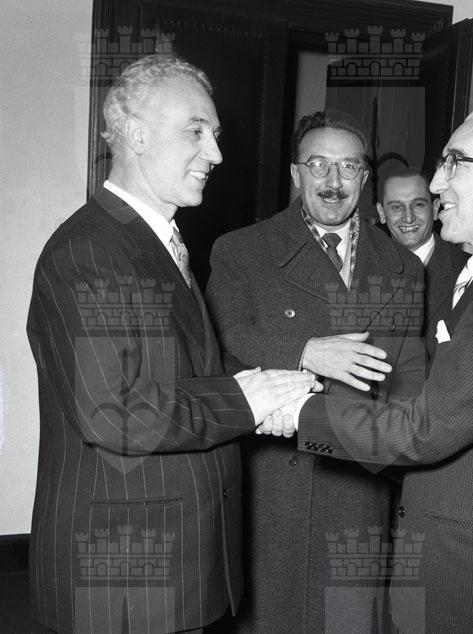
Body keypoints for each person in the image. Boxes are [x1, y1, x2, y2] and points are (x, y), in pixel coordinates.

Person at [271, 103, 473, 633]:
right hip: (457, 559)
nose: (438, 182)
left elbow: (423, 431)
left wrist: (295, 410)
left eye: (455, 163)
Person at [26, 54, 315, 634]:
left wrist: (274, 394)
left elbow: (188, 367)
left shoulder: (153, 242)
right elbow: (115, 413)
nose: (216, 153)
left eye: (215, 134)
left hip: (177, 563)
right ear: (136, 135)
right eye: (196, 131)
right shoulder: (89, 252)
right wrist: (247, 401)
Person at [206, 110, 425, 633]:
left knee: (348, 618)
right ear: (295, 172)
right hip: (273, 485)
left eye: (348, 167)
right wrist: (306, 351)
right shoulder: (241, 251)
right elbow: (225, 341)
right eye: (318, 165)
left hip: (361, 483)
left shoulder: (404, 268)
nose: (333, 181)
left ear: (364, 177)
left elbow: (407, 380)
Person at [376, 167, 468, 363]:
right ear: (381, 213)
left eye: (418, 205)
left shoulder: (470, 270)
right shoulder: (362, 270)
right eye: (396, 207)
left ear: (435, 209)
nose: (408, 217)